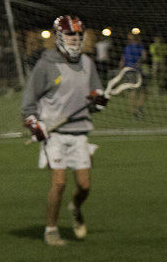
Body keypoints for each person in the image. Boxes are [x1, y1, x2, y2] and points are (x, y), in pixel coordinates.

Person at [20, 15, 105, 247]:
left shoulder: (87, 63)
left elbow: (94, 98)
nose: (75, 39)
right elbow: (28, 103)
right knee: (59, 183)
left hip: (80, 132)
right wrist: (34, 124)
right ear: (59, 36)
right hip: (54, 133)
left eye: (78, 35)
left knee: (84, 186)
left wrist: (98, 101)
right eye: (70, 34)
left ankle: (75, 207)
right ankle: (51, 230)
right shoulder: (45, 65)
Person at [119, 34, 147, 117]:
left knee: (132, 90)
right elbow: (144, 57)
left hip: (128, 71)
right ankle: (139, 107)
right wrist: (139, 61)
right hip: (138, 71)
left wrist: (120, 71)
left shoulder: (127, 48)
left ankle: (133, 110)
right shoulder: (140, 47)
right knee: (144, 91)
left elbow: (122, 61)